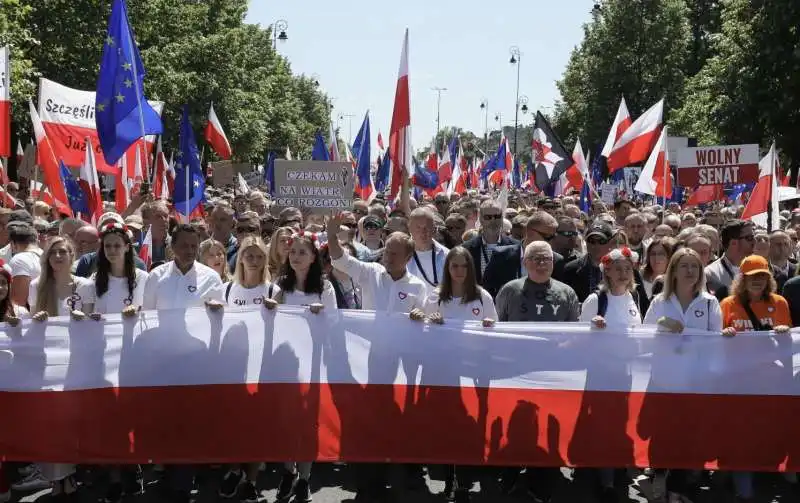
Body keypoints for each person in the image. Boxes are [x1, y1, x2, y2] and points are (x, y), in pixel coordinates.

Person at [327, 214, 427, 500]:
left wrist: (421, 317)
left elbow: (430, 323)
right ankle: (367, 484)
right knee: (367, 421)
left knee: (397, 422)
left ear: (408, 257)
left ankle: (398, 478)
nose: (388, 257)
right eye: (386, 252)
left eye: (395, 254)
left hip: (401, 369)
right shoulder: (370, 272)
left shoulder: (419, 288)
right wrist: (332, 233)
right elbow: (340, 260)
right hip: (368, 363)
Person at [410, 246, 495, 503]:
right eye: (454, 266)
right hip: (443, 376)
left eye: (464, 266)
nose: (459, 271)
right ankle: (449, 479)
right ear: (447, 269)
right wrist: (423, 321)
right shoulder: (435, 298)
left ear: (471, 269)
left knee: (468, 429)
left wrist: (489, 326)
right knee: (446, 428)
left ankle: (463, 483)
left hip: (472, 374)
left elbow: (495, 335)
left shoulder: (482, 297)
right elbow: (422, 337)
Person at [270, 232, 336, 503]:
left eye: (302, 252)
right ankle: (288, 471)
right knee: (287, 420)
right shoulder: (279, 286)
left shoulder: (324, 287)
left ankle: (305, 477)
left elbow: (334, 323)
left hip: (313, 362)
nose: (296, 257)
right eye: (293, 252)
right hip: (286, 363)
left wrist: (323, 316)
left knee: (308, 421)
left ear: (313, 258)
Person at [27, 237, 95, 497]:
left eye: (63, 252)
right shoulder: (37, 286)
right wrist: (37, 319)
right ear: (47, 257)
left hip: (76, 361)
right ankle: (56, 477)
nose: (58, 256)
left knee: (72, 419)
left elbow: (92, 324)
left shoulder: (86, 286)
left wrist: (84, 319)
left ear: (72, 255)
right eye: (53, 252)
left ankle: (72, 472)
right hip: (48, 361)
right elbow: (32, 325)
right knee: (52, 420)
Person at [718, 255, 790, 501]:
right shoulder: (727, 304)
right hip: (737, 382)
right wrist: (723, 334)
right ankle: (742, 485)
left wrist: (783, 333)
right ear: (742, 280)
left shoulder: (780, 303)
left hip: (769, 383)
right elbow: (715, 341)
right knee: (741, 434)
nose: (758, 281)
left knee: (766, 431)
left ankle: (773, 473)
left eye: (763, 276)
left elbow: (786, 345)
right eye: (752, 277)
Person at [89, 223, 148, 503]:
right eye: (107, 245)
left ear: (127, 247)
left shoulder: (144, 280)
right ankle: (114, 475)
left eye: (117, 245)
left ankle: (133, 466)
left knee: (132, 416)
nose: (112, 250)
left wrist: (139, 312)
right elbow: (86, 320)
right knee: (109, 418)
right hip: (104, 359)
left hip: (134, 357)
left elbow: (156, 315)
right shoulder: (92, 283)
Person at [217, 235, 273, 503]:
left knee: (260, 428)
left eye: (259, 255)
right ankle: (234, 469)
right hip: (233, 368)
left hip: (262, 368)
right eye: (249, 255)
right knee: (233, 424)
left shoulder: (273, 290)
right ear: (240, 258)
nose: (254, 260)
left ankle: (251, 480)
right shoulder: (227, 290)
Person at [142, 224, 224, 311]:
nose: (190, 251)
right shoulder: (156, 276)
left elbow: (221, 314)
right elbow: (147, 314)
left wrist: (217, 308)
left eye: (193, 246)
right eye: (184, 246)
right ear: (173, 246)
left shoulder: (211, 278)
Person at [462, 200, 519, 298]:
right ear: (480, 219)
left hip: (507, 305)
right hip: (477, 304)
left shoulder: (516, 247)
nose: (493, 221)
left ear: (502, 218)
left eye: (497, 217)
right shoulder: (466, 248)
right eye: (488, 217)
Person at [705, 220, 755, 301]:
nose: (754, 241)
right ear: (733, 243)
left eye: (754, 237)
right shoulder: (711, 274)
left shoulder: (758, 268)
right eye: (749, 238)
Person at [405, 208, 448, 294]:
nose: (423, 232)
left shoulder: (447, 255)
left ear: (434, 229)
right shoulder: (400, 255)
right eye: (418, 227)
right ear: (409, 228)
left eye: (427, 227)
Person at [8, 222, 43, 307]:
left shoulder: (19, 260)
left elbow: (18, 303)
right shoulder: (48, 255)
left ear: (13, 244)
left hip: (33, 317)